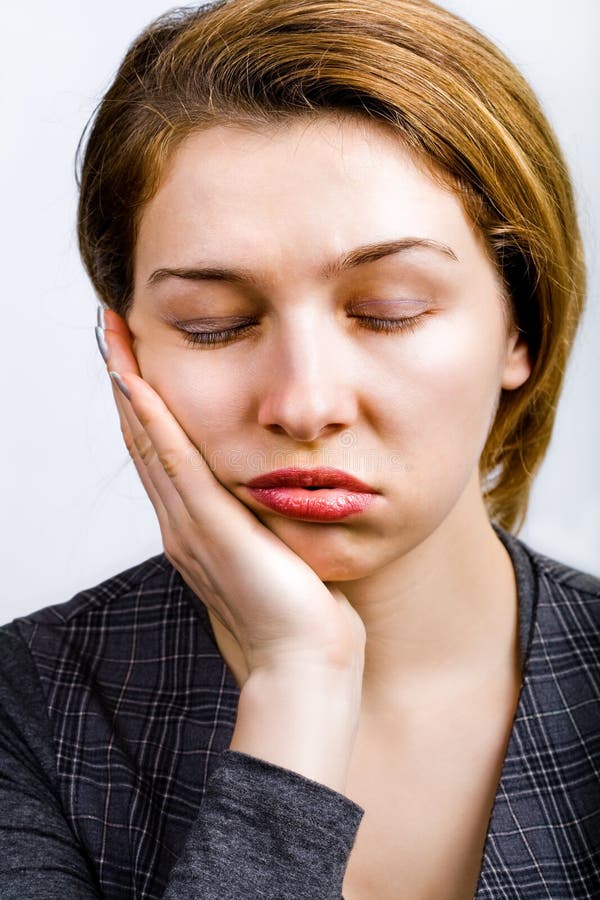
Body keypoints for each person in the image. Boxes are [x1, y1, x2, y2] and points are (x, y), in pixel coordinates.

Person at [1, 0, 598, 897]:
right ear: (125, 347)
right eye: (215, 325)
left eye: (388, 310)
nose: (304, 403)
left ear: (522, 324)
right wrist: (297, 689)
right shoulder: (29, 715)